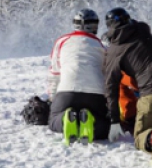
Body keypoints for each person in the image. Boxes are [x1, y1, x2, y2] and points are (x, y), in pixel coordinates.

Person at [102, 7, 152, 161]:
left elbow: (110, 86)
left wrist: (114, 120)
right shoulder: (142, 28)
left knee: (140, 136)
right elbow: (140, 25)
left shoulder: (114, 51)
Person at [47, 9, 111, 145]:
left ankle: (65, 119)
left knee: (53, 121)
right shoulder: (101, 45)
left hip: (66, 91)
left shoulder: (62, 41)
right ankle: (90, 121)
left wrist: (53, 98)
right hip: (95, 94)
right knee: (105, 126)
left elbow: (54, 73)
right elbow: (107, 73)